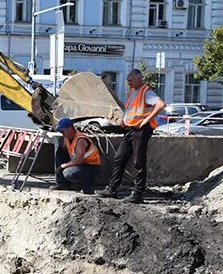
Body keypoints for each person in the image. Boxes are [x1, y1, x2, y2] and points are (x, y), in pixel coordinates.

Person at [97, 69, 166, 204]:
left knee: (138, 161)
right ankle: (112, 189)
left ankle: (137, 194)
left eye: (130, 80)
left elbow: (161, 105)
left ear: (139, 79)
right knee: (119, 158)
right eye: (127, 80)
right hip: (130, 129)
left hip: (141, 130)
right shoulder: (132, 91)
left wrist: (147, 120)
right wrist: (124, 120)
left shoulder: (146, 91)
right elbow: (131, 110)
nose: (128, 83)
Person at [50, 118, 101, 194]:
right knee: (60, 153)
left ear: (70, 128)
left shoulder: (80, 140)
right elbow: (66, 150)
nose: (62, 133)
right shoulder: (67, 138)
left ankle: (87, 185)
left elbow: (78, 161)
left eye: (63, 131)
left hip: (91, 167)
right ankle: (63, 184)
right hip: (82, 164)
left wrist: (62, 166)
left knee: (68, 172)